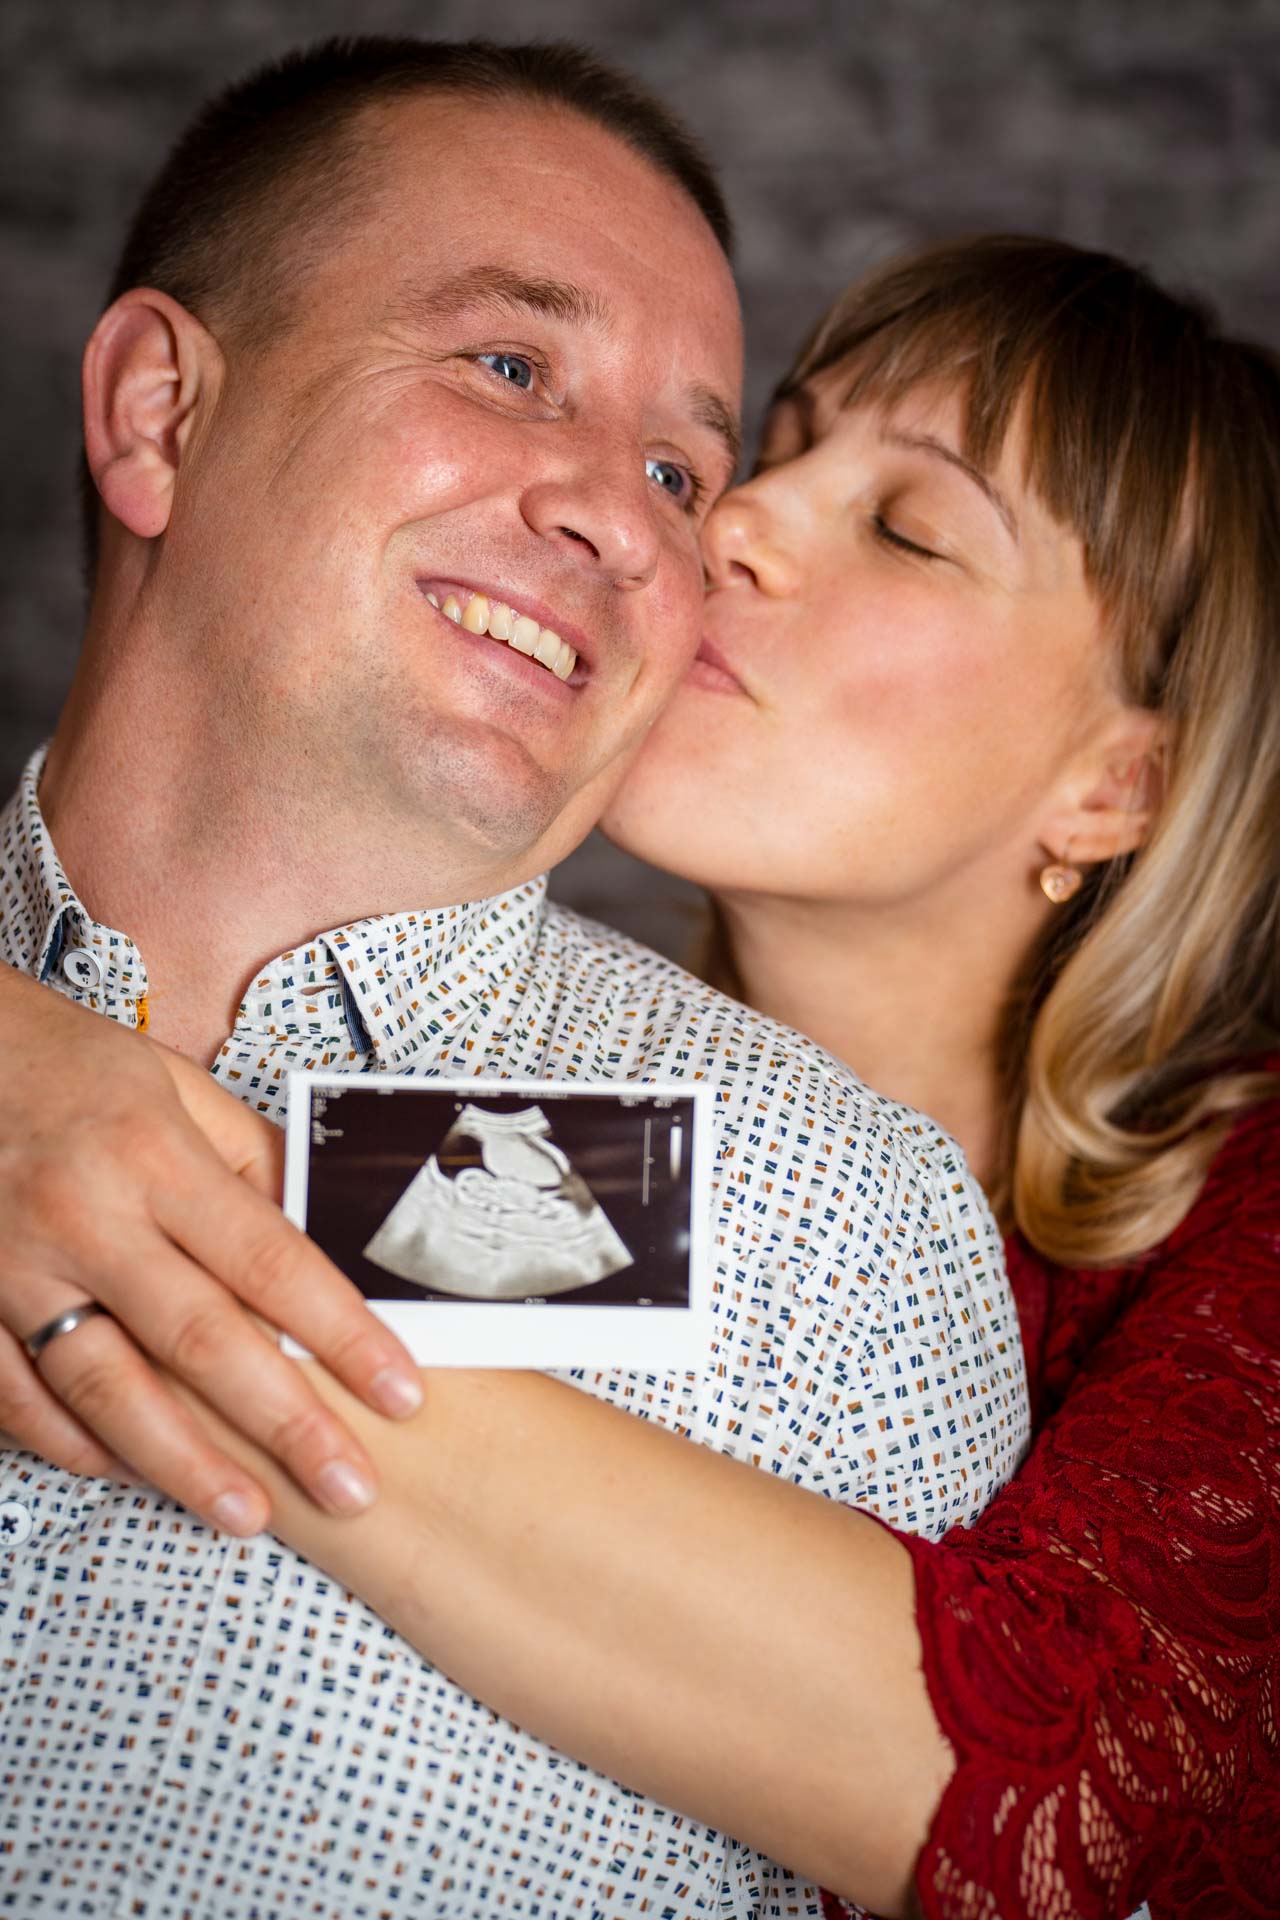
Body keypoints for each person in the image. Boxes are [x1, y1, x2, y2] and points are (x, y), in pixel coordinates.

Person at [9, 229, 1278, 1919]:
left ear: (1119, 787)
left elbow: (1054, 1796)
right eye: (765, 453)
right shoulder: (581, 1118)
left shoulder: (1245, 1224)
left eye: (909, 527)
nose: (729, 524)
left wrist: (79, 1154)